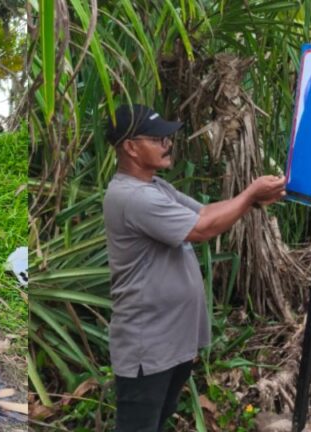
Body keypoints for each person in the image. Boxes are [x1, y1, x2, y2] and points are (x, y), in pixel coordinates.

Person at [102, 104, 286, 432]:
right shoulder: (132, 197)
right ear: (130, 147)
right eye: (157, 139)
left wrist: (254, 200)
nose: (167, 144)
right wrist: (249, 195)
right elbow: (202, 229)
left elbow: (204, 211)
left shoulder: (155, 187)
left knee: (158, 421)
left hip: (171, 342)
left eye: (167, 138)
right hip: (149, 345)